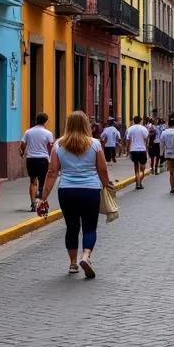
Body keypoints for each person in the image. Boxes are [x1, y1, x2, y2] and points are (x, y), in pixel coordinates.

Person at [39, 110, 114, 278]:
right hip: (90, 190)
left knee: (71, 227)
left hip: (67, 190)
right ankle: (86, 256)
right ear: (86, 125)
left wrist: (43, 196)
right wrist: (107, 185)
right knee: (90, 226)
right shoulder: (94, 144)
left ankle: (73, 263)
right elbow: (102, 169)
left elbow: (52, 172)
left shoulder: (59, 144)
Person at [20, 112, 54, 211]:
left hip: (31, 159)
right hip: (43, 160)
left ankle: (33, 204)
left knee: (33, 181)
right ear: (45, 121)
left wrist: (22, 152)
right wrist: (51, 159)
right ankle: (42, 204)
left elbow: (22, 144)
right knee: (43, 183)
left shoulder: (28, 132)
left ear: (36, 120)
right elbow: (50, 147)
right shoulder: (48, 133)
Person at [125, 115, 150, 190]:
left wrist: (127, 150)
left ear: (134, 121)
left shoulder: (130, 129)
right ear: (140, 121)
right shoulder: (144, 129)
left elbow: (128, 141)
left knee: (136, 167)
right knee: (142, 169)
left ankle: (137, 183)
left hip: (133, 150)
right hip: (142, 149)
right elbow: (146, 139)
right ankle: (139, 182)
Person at [161, 116, 174, 195]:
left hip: (168, 154)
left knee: (171, 173)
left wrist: (161, 154)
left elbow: (161, 144)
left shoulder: (164, 132)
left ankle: (172, 188)